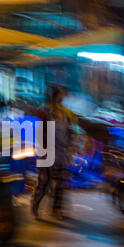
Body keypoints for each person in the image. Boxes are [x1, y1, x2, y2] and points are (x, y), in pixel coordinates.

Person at [31, 86, 78, 219]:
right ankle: (35, 206)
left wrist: (71, 146)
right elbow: (40, 133)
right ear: (54, 96)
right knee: (44, 182)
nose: (62, 98)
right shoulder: (46, 112)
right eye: (60, 95)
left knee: (61, 182)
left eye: (63, 96)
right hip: (47, 152)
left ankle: (56, 210)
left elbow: (69, 131)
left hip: (61, 153)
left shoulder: (64, 114)